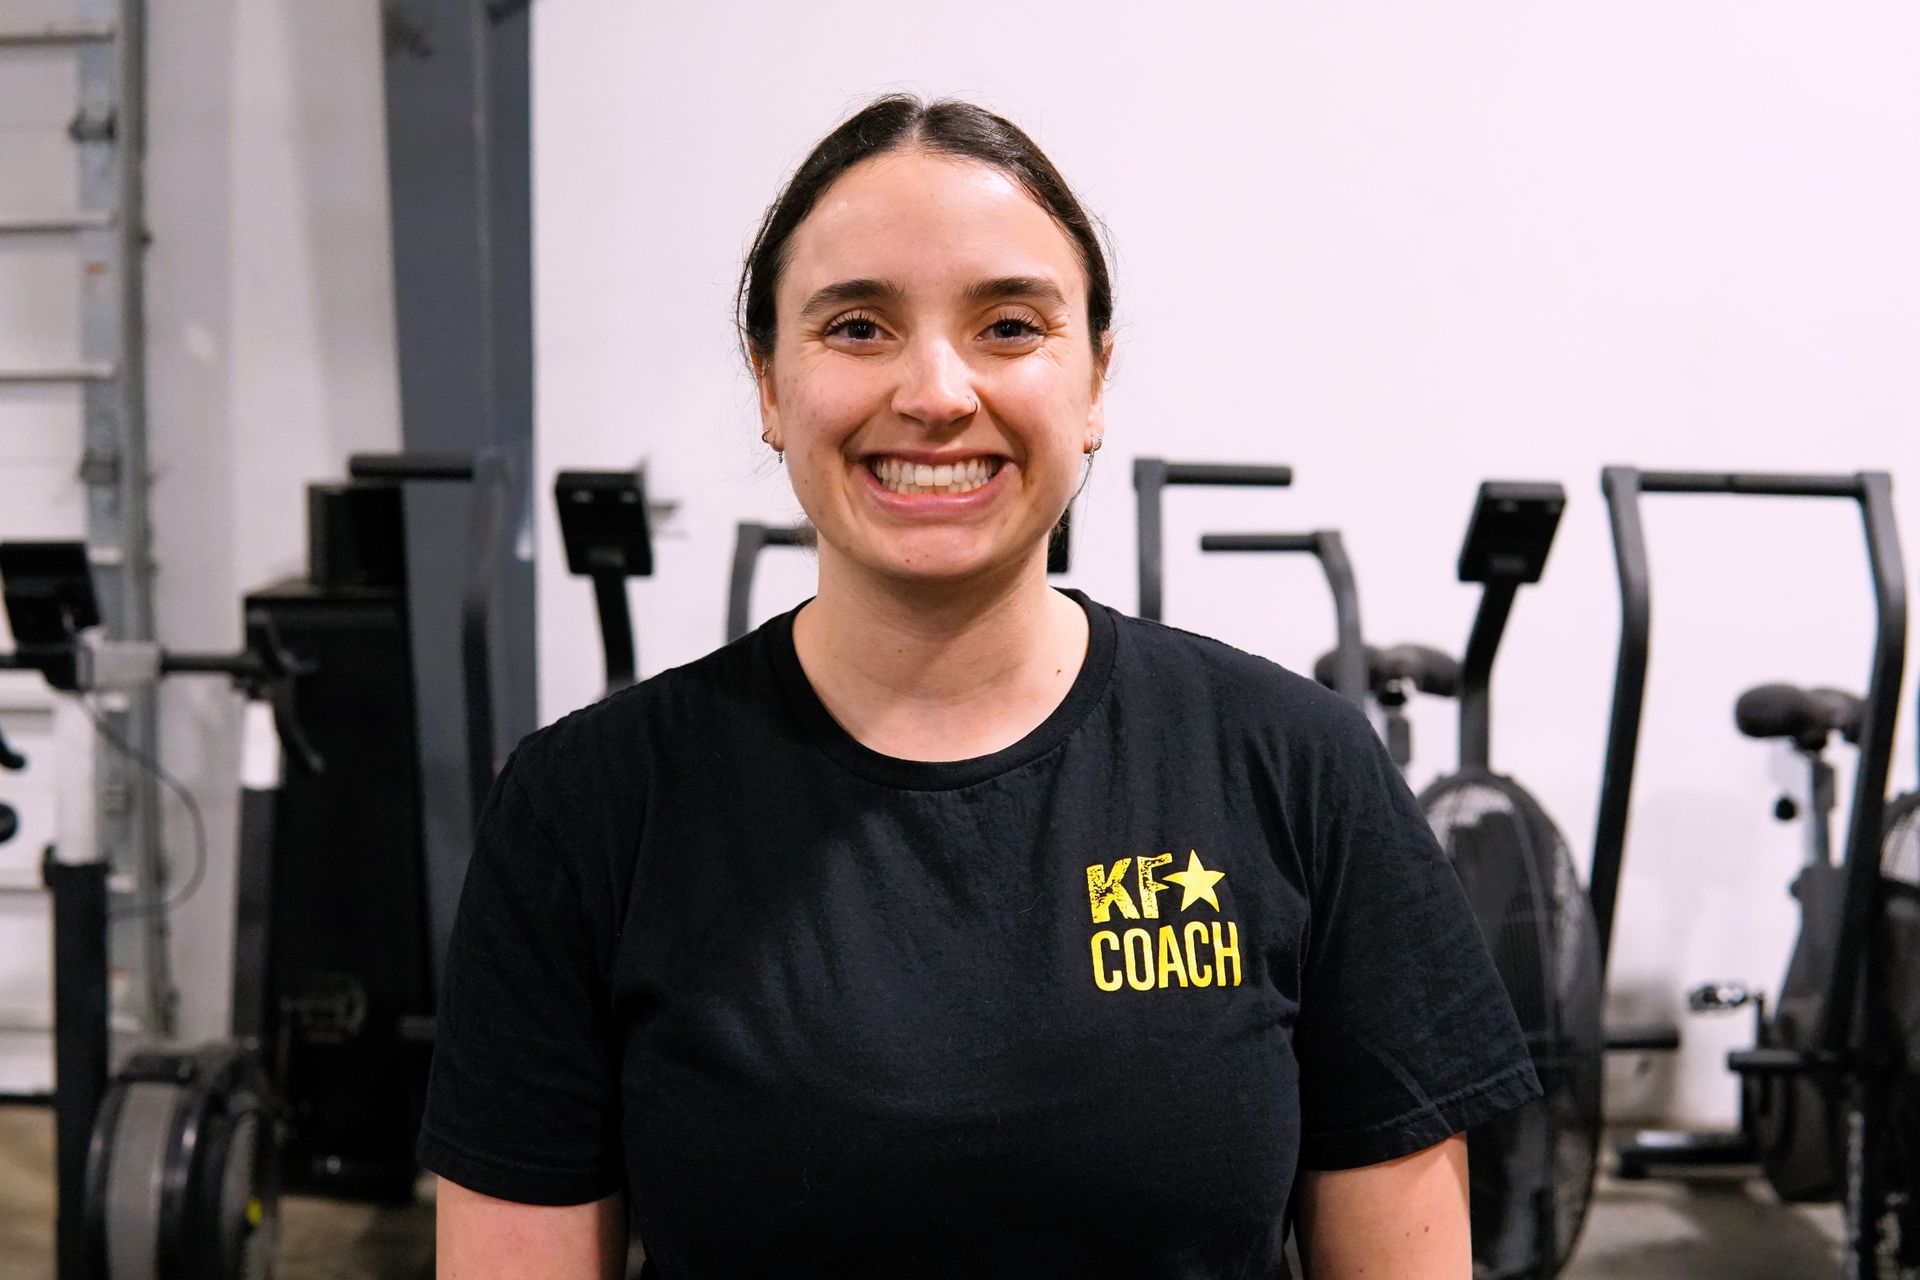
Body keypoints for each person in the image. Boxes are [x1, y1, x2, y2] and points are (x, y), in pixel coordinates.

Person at [420, 95, 1540, 1279]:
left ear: (1095, 378)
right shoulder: (587, 804)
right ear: (768, 382)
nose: (938, 392)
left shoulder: (1297, 767)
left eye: (1009, 325)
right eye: (858, 326)